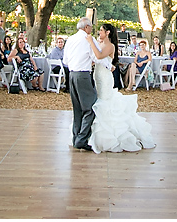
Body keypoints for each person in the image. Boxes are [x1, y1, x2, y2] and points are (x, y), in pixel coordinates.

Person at [85, 23, 155, 153]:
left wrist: (90, 42)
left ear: (108, 33)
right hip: (98, 75)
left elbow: (100, 56)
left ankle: (111, 135)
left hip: (105, 78)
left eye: (101, 30)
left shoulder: (110, 46)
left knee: (105, 102)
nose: (99, 32)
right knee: (99, 100)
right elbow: (96, 59)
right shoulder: (100, 44)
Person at [62, 17, 96, 151]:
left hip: (72, 74)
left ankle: (76, 137)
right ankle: (81, 139)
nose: (91, 30)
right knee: (90, 107)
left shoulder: (70, 39)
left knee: (77, 108)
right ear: (86, 27)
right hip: (83, 75)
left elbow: (65, 60)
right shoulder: (88, 40)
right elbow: (95, 56)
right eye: (91, 27)